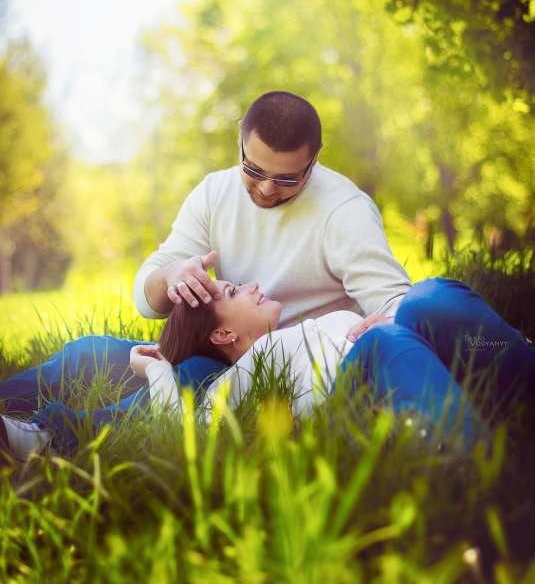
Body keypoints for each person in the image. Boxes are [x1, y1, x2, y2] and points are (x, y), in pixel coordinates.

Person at [0, 91, 413, 427]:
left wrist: (383, 326)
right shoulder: (215, 193)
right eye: (253, 170)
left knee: (188, 378)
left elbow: (397, 302)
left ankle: (47, 435)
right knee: (88, 353)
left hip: (274, 371)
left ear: (317, 155)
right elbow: (146, 298)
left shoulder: (344, 211)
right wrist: (173, 275)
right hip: (221, 346)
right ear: (240, 137)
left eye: (288, 178)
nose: (268, 189)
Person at [2, 276, 534, 460]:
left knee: (425, 301)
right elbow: (184, 429)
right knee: (387, 341)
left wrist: (384, 314)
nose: (252, 285)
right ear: (225, 335)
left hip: (440, 359)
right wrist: (157, 374)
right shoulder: (243, 381)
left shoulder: (331, 320)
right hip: (379, 381)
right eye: (234, 291)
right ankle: (467, 464)